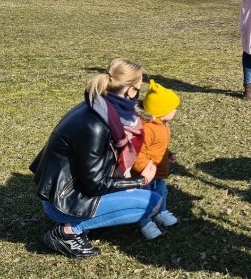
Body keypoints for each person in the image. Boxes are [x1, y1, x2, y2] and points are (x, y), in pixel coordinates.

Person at [31, 58, 163, 259]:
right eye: (139, 88)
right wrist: (140, 180)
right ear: (131, 91)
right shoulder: (96, 124)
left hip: (67, 191)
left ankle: (87, 221)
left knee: (141, 195)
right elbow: (94, 185)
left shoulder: (98, 105)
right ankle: (67, 231)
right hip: (63, 202)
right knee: (152, 203)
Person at [132, 79, 182, 238]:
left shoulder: (161, 124)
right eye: (173, 108)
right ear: (160, 111)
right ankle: (144, 220)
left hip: (157, 171)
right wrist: (144, 169)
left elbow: (158, 147)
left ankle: (160, 211)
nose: (175, 111)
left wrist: (167, 154)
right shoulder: (147, 128)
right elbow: (138, 152)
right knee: (144, 198)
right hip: (145, 173)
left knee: (161, 191)